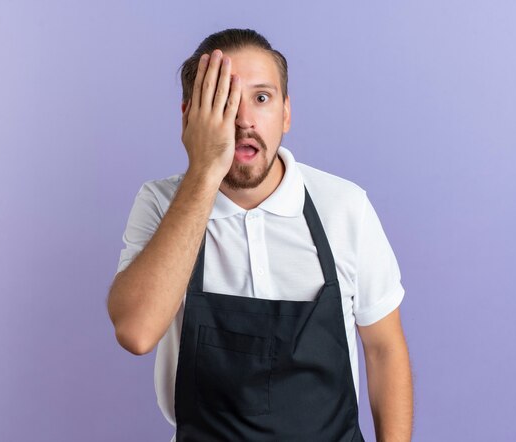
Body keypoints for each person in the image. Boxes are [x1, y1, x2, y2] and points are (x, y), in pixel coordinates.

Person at [107, 28, 413, 442]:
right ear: (189, 117)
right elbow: (136, 331)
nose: (244, 120)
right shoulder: (161, 203)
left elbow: (384, 349)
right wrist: (203, 172)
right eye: (222, 101)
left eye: (261, 98)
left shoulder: (343, 206)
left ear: (286, 112)